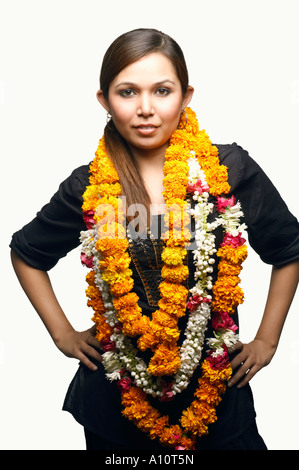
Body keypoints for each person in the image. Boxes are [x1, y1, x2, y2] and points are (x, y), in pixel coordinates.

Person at [10, 28, 299, 451]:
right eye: (128, 92)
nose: (145, 108)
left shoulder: (229, 170)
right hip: (117, 404)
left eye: (161, 91)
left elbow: (288, 249)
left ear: (185, 96)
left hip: (216, 395)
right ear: (104, 101)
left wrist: (267, 341)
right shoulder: (89, 186)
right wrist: (63, 335)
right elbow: (27, 253)